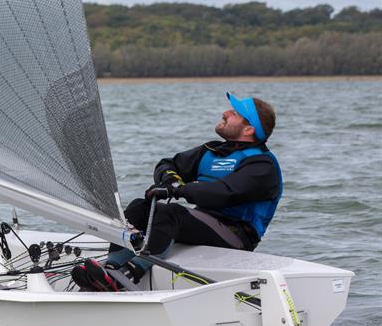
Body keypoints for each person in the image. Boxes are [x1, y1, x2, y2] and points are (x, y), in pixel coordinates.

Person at [73, 92, 282, 292]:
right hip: (204, 222)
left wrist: (180, 190)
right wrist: (170, 179)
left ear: (248, 130)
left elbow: (225, 192)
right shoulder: (212, 151)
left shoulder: (262, 165)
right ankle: (110, 268)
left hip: (235, 235)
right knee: (139, 207)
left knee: (171, 213)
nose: (225, 113)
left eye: (235, 113)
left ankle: (130, 274)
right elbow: (167, 164)